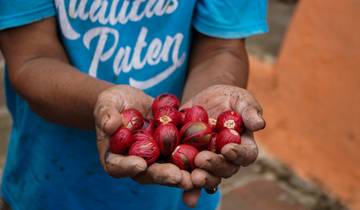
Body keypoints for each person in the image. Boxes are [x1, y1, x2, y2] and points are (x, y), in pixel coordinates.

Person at [0, 0, 268, 209]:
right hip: (47, 181)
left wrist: (211, 108)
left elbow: (221, 48)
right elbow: (31, 59)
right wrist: (104, 105)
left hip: (173, 195)